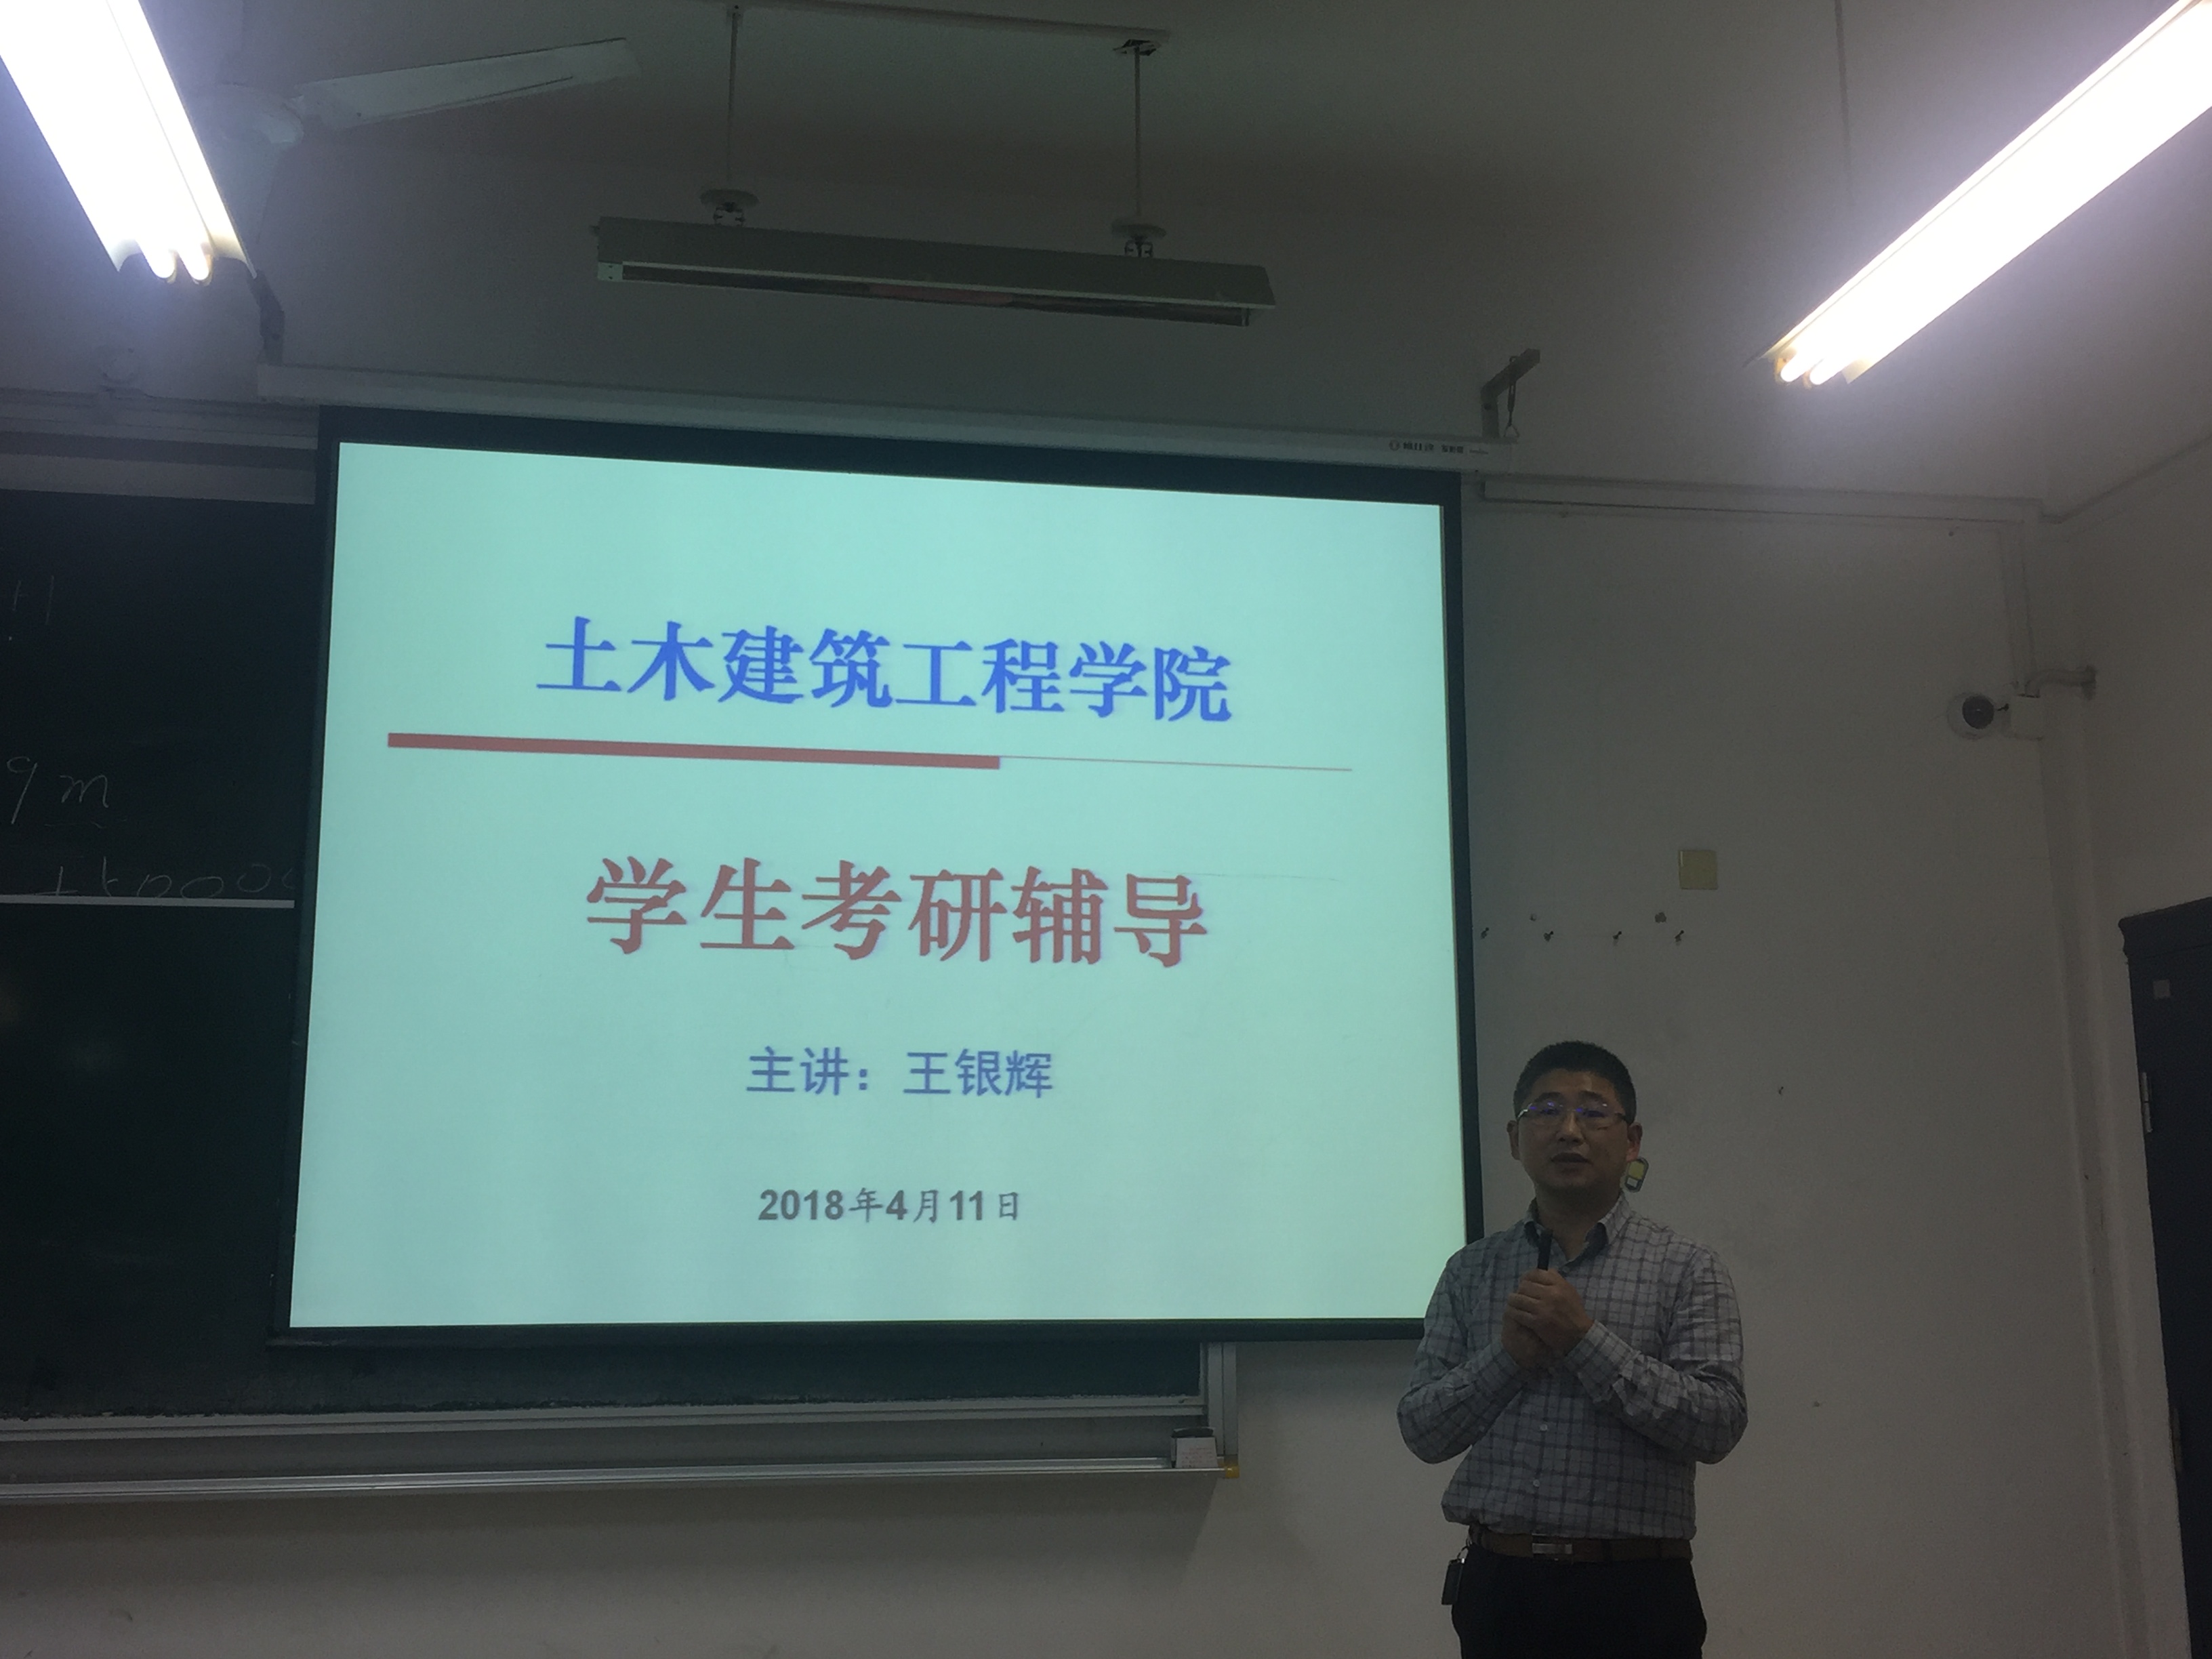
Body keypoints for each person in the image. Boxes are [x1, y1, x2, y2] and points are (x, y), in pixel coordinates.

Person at [1399, 1040, 1746, 1659]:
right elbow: (1423, 1431)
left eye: (1593, 1112)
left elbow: (1717, 1424)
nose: (1568, 1130)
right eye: (1546, 1111)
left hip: (1636, 1591)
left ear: (1632, 1140)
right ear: (1514, 1140)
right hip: (1501, 1587)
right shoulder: (1471, 1270)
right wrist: (1507, 1359)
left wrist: (1584, 1339)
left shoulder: (1686, 1267)